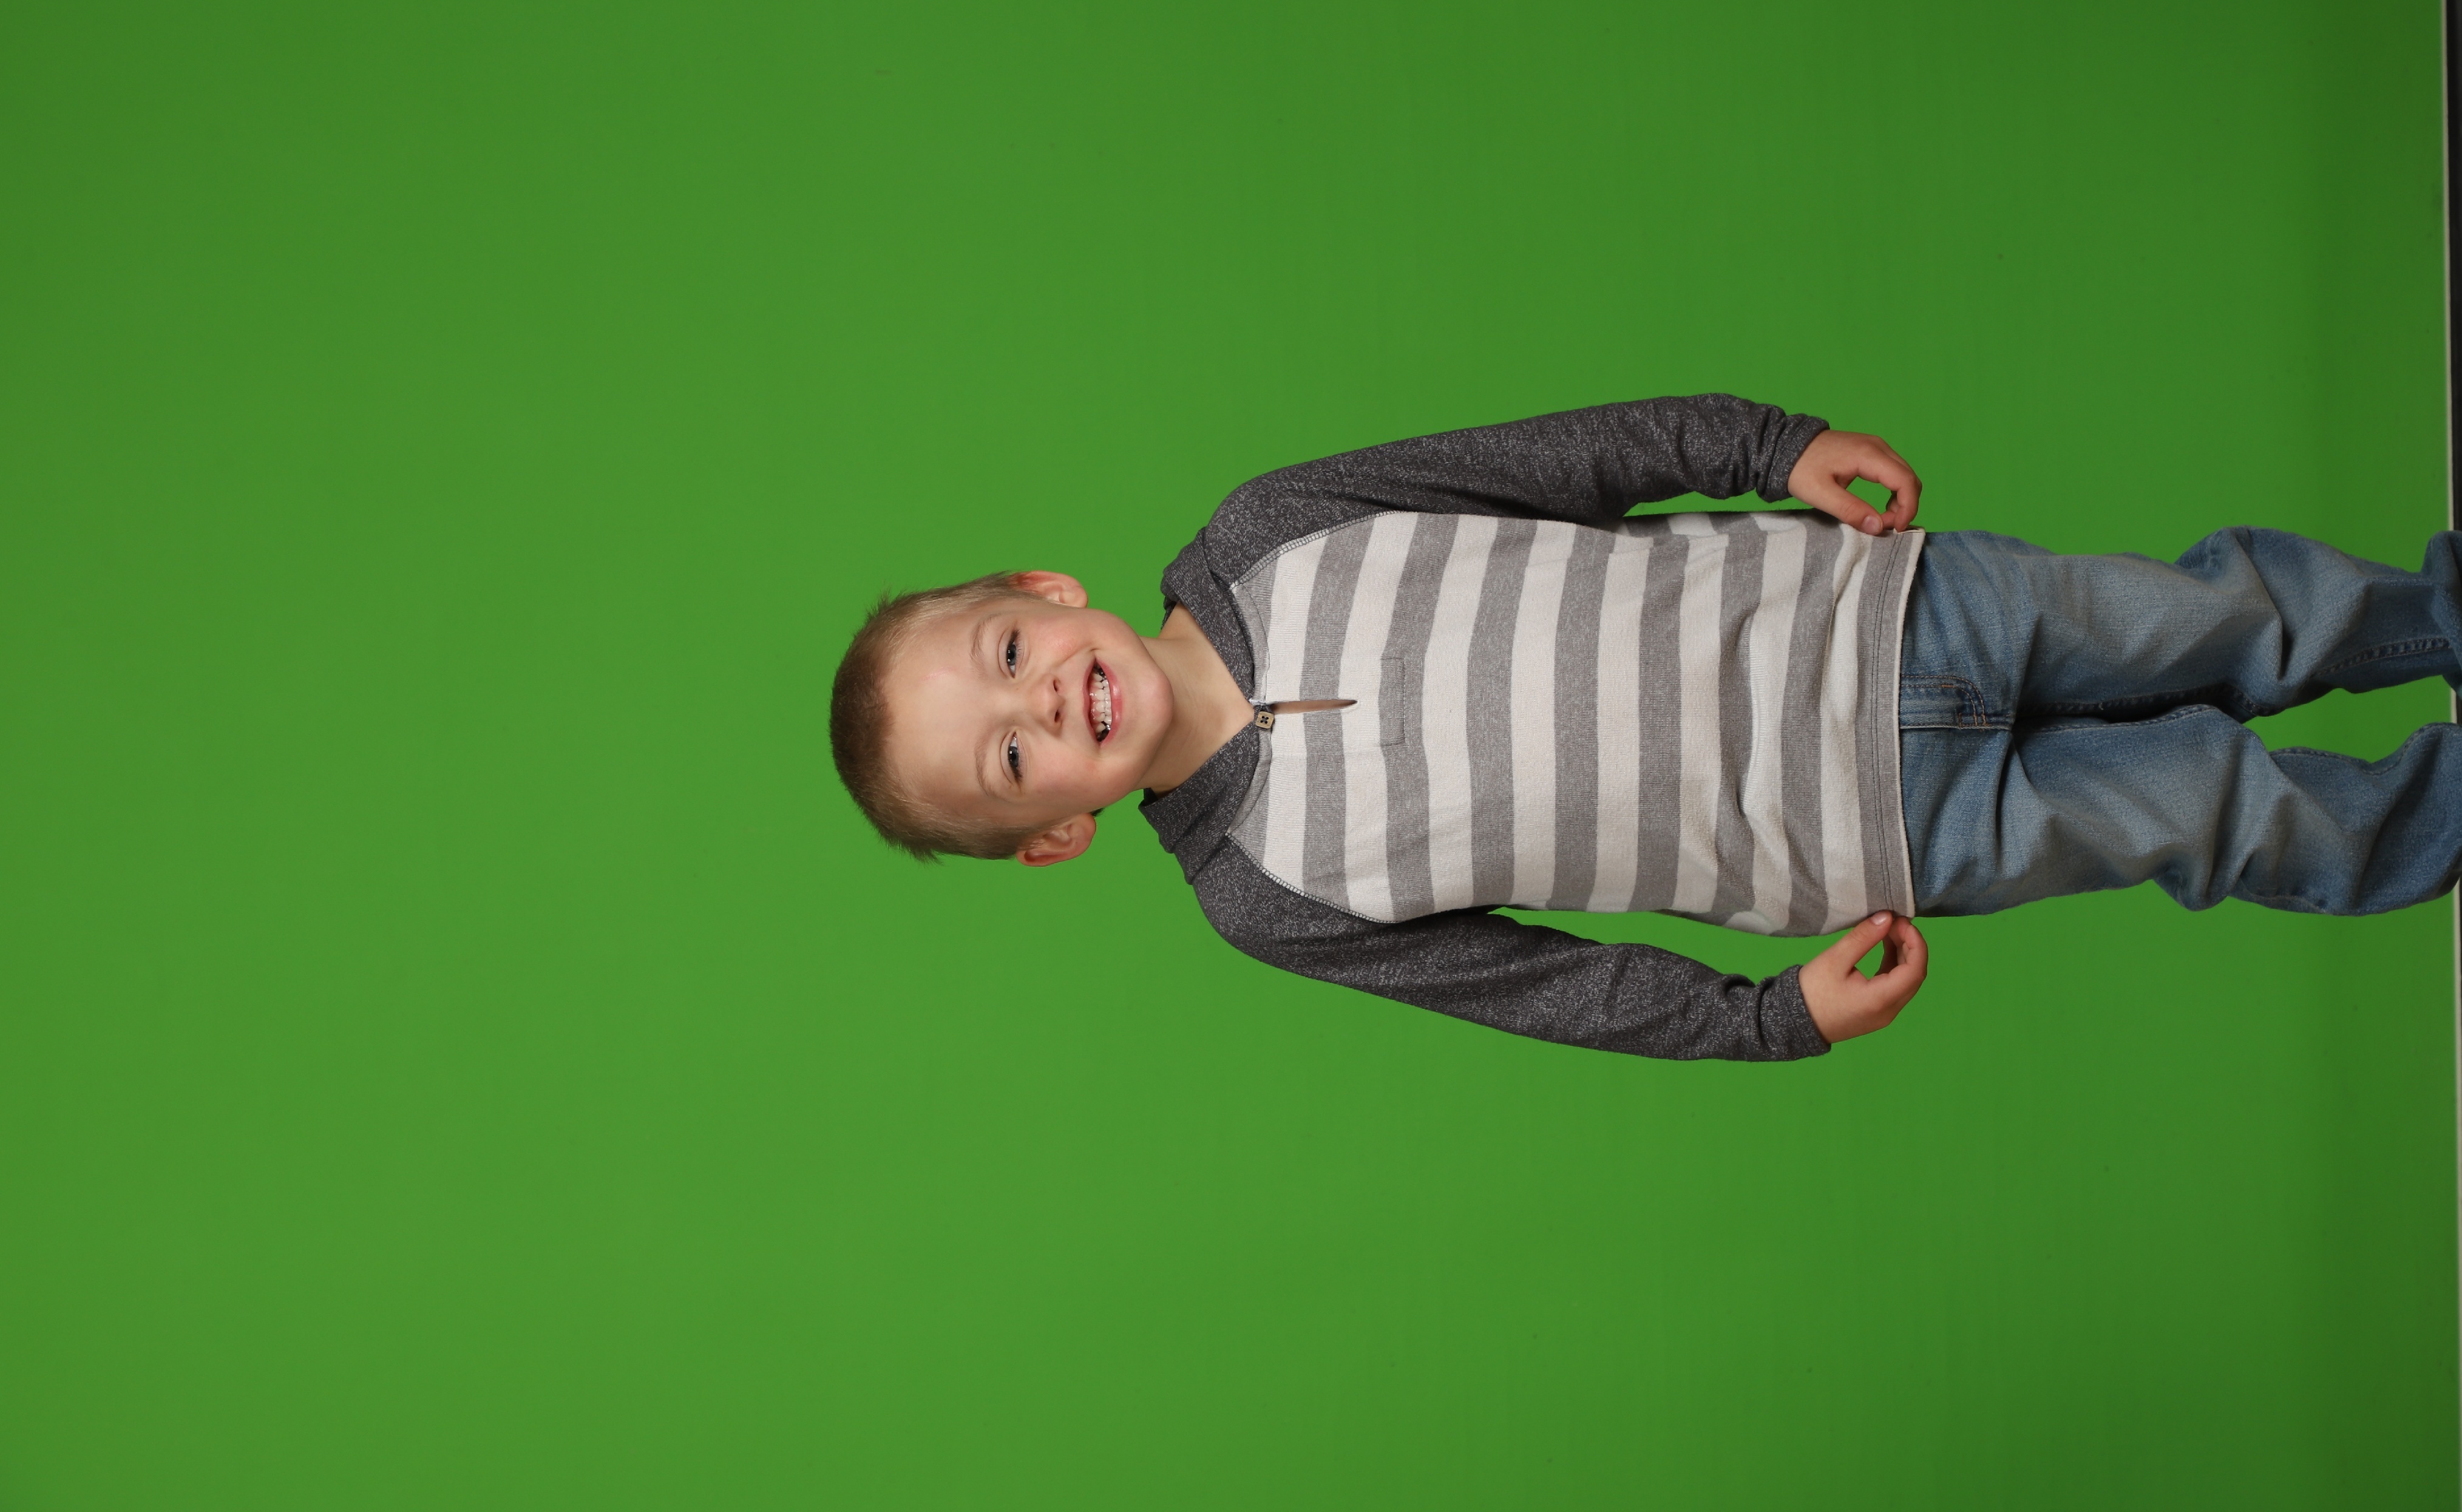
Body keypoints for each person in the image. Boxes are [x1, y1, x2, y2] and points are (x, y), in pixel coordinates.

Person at [828, 396, 2462, 1061]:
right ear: (1057, 833)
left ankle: (2433, 616)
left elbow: (1556, 463)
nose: (1042, 699)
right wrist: (1766, 1020)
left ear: (1042, 587)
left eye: (1008, 652)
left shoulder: (1275, 530)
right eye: (1012, 756)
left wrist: (1764, 447)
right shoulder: (1264, 895)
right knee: (2209, 812)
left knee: (2218, 615)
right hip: (1875, 835)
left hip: (1883, 609)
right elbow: (1539, 986)